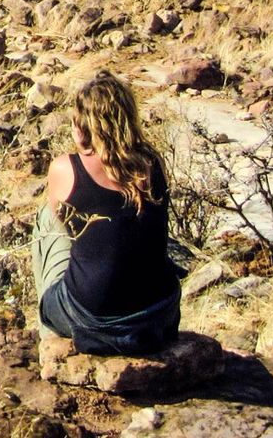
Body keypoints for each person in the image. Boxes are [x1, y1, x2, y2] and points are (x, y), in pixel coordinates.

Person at [31, 71, 181, 355]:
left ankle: (50, 337)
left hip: (93, 322)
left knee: (47, 217)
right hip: (159, 314)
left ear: (82, 127)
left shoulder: (66, 169)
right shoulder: (152, 163)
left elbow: (64, 224)